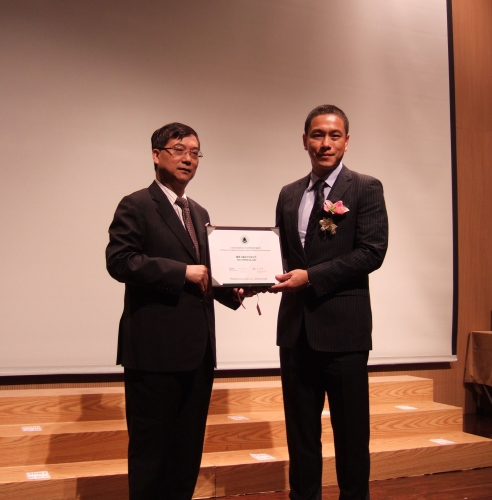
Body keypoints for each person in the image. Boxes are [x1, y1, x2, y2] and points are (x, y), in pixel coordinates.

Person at [106, 122, 244, 500]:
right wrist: (181, 272)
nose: (188, 159)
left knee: (186, 454)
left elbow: (206, 273)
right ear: (156, 155)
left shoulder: (199, 212)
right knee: (151, 455)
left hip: (198, 354)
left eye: (195, 153)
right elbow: (120, 261)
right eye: (179, 150)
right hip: (153, 353)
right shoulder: (136, 204)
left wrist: (236, 289)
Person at [270, 105, 389, 500]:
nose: (325, 143)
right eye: (317, 135)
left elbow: (372, 252)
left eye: (334, 135)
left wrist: (311, 278)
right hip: (295, 332)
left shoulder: (365, 187)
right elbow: (281, 256)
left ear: (346, 142)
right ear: (304, 140)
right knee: (301, 435)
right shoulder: (289, 194)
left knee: (351, 437)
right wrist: (250, 279)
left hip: (344, 333)